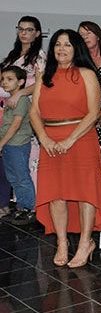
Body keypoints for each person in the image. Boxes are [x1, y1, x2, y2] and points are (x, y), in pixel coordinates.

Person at [30, 29, 101, 268]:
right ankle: (62, 243)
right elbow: (34, 112)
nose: (61, 49)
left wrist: (70, 140)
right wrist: (44, 138)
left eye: (67, 45)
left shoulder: (86, 74)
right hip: (50, 141)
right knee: (56, 194)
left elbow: (94, 113)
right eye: (57, 44)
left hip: (81, 139)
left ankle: (85, 243)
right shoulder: (44, 76)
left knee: (85, 193)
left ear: (76, 49)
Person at [0, 16, 46, 222]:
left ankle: (33, 208)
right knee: (13, 168)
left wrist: (20, 93)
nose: (24, 33)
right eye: (21, 29)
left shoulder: (39, 56)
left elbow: (41, 83)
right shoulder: (13, 55)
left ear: (37, 33)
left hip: (28, 112)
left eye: (29, 29)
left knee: (28, 165)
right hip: (7, 112)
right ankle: (21, 205)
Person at [0, 66, 36, 222]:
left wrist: (1, 144)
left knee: (21, 177)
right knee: (13, 177)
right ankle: (21, 206)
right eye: (3, 79)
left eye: (9, 79)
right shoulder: (10, 100)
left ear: (21, 82)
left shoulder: (21, 100)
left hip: (17, 144)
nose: (4, 82)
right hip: (9, 145)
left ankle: (29, 208)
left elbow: (16, 125)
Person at [78, 21, 101, 148]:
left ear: (98, 36)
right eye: (81, 35)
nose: (85, 37)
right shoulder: (78, 64)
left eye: (88, 33)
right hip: (84, 116)